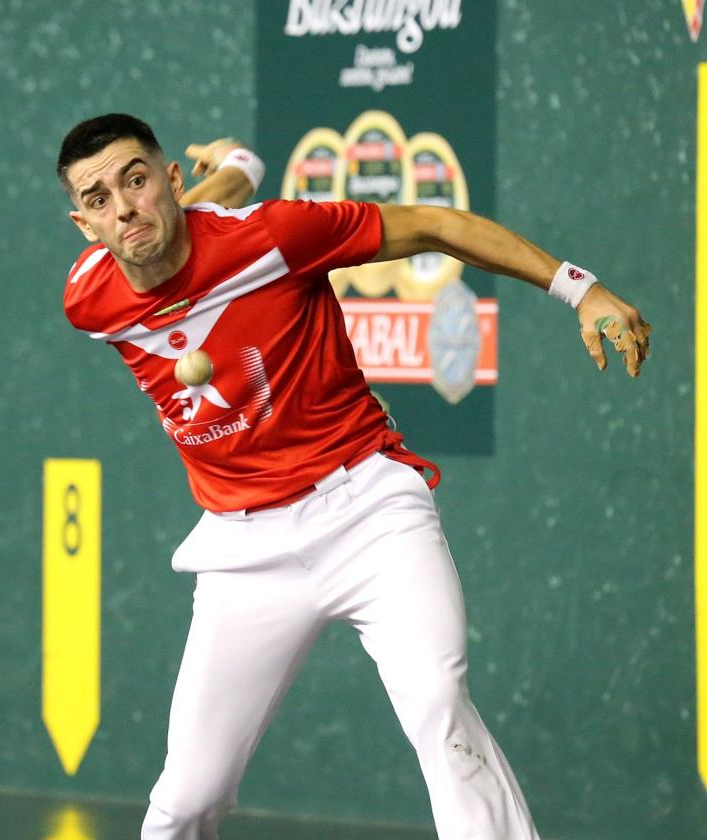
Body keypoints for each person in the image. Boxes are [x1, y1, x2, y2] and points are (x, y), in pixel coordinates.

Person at [55, 113, 649, 840]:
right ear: (83, 223)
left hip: (367, 511)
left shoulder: (271, 237)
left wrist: (577, 288)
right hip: (245, 551)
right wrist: (241, 159)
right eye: (97, 197)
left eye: (138, 179)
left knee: (438, 704)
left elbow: (431, 223)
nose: (123, 207)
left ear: (170, 179)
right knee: (187, 798)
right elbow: (202, 199)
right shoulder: (88, 300)